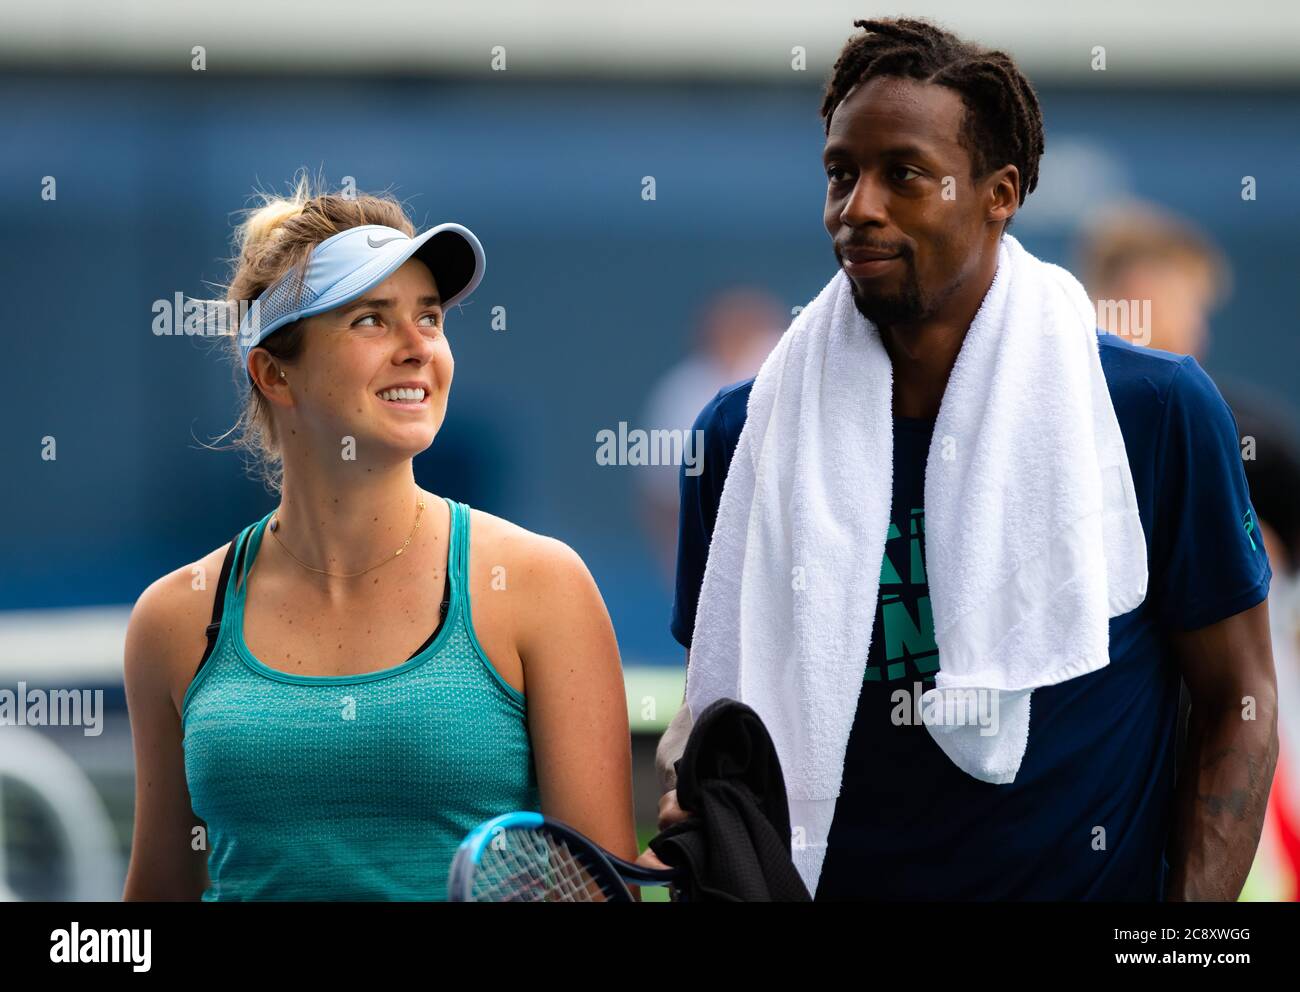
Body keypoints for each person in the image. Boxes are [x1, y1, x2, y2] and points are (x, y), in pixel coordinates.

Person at [644, 17, 1277, 901]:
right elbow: (722, 710)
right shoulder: (739, 433)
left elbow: (1238, 702)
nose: (858, 207)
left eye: (903, 174)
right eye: (840, 173)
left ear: (999, 192)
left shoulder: (1153, 410)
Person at [122, 175, 636, 900]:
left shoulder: (543, 586)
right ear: (273, 373)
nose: (417, 347)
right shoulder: (172, 619)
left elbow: (598, 890)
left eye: (429, 318)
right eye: (371, 320)